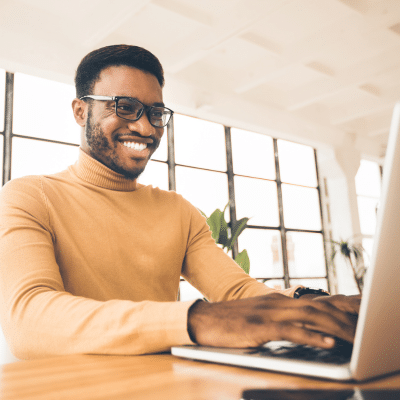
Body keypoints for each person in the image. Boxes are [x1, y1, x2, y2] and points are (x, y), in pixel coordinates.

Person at [0, 45, 360, 360]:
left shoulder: (177, 212)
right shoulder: (29, 197)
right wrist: (195, 319)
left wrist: (309, 303)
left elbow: (236, 292)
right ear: (81, 112)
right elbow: (28, 319)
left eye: (156, 113)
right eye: (125, 107)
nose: (146, 128)